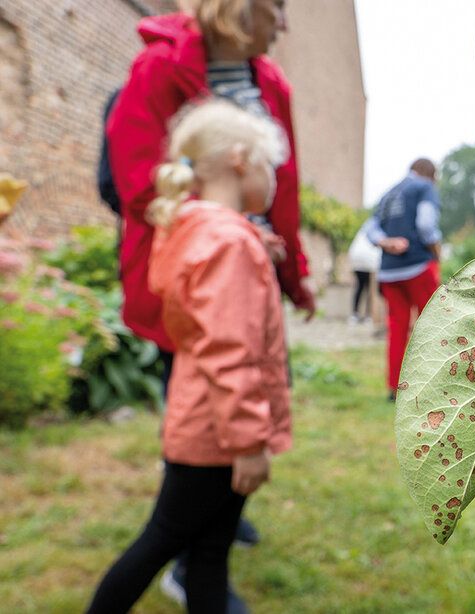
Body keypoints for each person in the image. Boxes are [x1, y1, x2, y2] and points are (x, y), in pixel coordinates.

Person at [105, 0, 310, 606]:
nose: (284, 22)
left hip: (220, 407)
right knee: (169, 532)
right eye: (277, 6)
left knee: (209, 539)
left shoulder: (223, 239)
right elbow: (228, 348)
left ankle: (203, 568)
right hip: (217, 429)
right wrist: (250, 441)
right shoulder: (221, 246)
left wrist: (276, 258)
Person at [359, 159, 442, 400]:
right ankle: (433, 385)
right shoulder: (424, 188)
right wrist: (436, 250)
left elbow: (370, 229)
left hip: (389, 271)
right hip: (417, 266)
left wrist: (386, 243)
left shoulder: (388, 194)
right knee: (432, 325)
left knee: (397, 328)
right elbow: (426, 225)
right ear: (431, 174)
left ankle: (395, 388)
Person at [347, 227, 381, 324]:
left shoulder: (361, 234)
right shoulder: (373, 232)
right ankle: (367, 315)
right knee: (368, 291)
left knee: (360, 288)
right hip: (369, 264)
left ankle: (355, 314)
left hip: (358, 263)